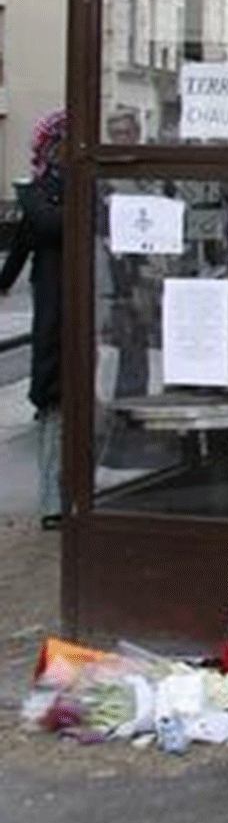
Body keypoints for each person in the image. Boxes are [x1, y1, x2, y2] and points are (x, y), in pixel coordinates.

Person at [1, 109, 65, 528]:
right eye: (57, 147)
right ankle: (53, 500)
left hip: (84, 311)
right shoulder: (39, 194)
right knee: (52, 398)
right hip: (54, 313)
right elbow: (34, 232)